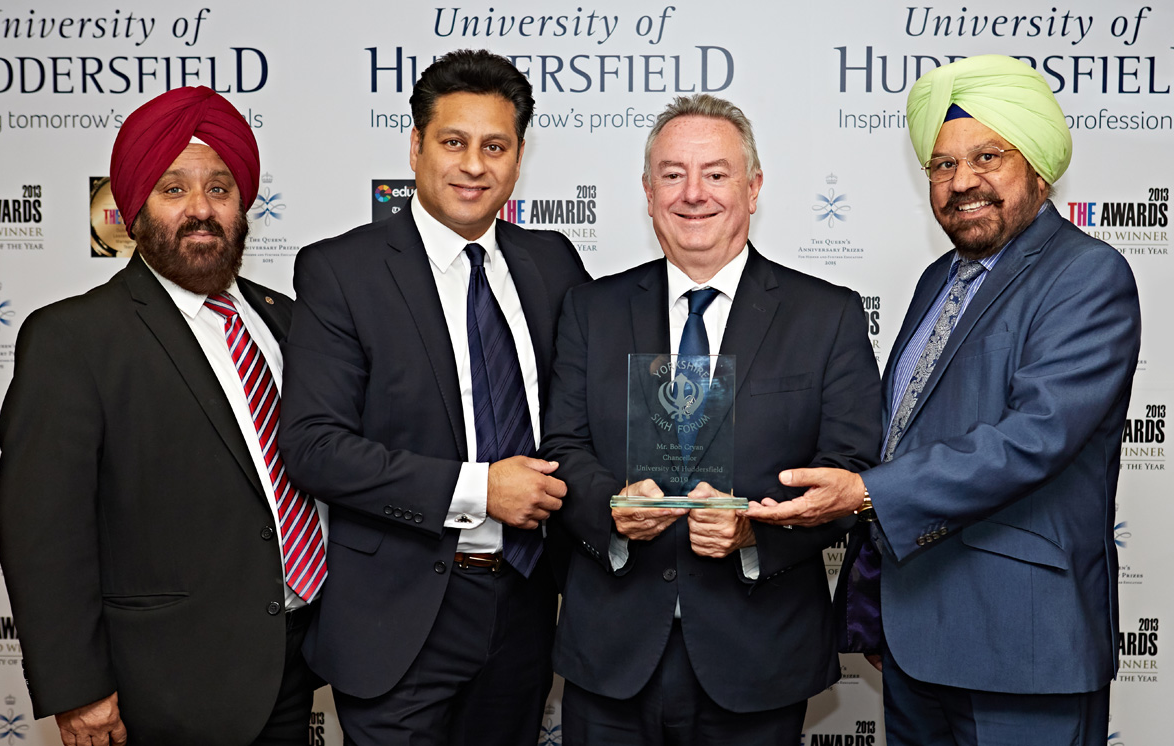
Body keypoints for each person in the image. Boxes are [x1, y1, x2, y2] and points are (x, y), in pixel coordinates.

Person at [750, 55, 1142, 745]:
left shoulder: (1088, 275)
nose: (962, 182)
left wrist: (866, 492)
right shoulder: (940, 278)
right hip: (912, 639)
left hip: (1021, 651)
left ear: (1041, 167)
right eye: (942, 165)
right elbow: (902, 432)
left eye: (988, 156)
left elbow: (1033, 439)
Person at [539, 93, 882, 745]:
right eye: (672, 174)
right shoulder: (590, 309)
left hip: (758, 654)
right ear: (647, 192)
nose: (693, 194)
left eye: (716, 174)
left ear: (753, 189)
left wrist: (754, 531)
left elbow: (852, 473)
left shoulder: (826, 316)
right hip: (611, 655)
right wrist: (609, 509)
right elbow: (564, 446)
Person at [0, 86, 325, 745]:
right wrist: (79, 689)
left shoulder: (288, 320)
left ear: (243, 204)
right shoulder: (74, 338)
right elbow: (42, 533)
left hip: (296, 666)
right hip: (165, 687)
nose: (200, 210)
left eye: (220, 188)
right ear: (134, 206)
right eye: (174, 189)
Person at [279, 49, 590, 746]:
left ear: (517, 157)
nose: (473, 165)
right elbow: (315, 447)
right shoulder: (342, 271)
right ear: (416, 146)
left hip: (527, 604)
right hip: (399, 619)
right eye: (453, 142)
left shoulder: (553, 263)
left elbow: (587, 418)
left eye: (495, 146)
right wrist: (480, 489)